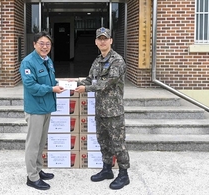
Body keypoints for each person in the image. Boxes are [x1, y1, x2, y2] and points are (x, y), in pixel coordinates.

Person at [75, 27, 130, 190]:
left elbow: (107, 83)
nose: (102, 41)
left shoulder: (117, 60)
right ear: (96, 42)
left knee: (118, 143)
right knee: (103, 141)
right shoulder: (97, 61)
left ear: (111, 41)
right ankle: (107, 169)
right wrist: (72, 85)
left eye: (105, 38)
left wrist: (86, 89)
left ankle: (123, 174)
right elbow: (90, 80)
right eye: (99, 39)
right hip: (100, 110)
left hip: (114, 112)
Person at [19, 31, 65, 190]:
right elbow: (31, 86)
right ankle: (32, 177)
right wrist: (52, 88)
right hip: (35, 109)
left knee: (40, 142)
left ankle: (38, 170)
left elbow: (51, 81)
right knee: (32, 144)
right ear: (34, 44)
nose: (45, 47)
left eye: (48, 44)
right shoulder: (28, 62)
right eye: (41, 43)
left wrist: (64, 83)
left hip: (46, 107)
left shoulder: (47, 61)